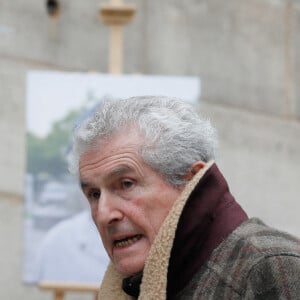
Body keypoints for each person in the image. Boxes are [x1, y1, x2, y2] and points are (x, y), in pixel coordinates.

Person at [68, 96, 300, 299]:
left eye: (126, 184)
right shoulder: (134, 285)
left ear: (191, 180)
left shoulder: (271, 266)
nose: (103, 213)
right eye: (94, 194)